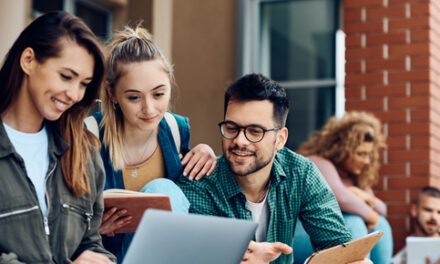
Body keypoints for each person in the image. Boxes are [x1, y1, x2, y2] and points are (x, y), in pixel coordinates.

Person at [177, 73, 372, 264]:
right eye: (231, 128)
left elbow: (338, 245)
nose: (239, 141)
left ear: (280, 139)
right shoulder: (199, 182)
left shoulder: (301, 173)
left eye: (255, 131)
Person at [88, 26, 217, 263]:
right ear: (113, 93)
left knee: (164, 189)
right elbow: (60, 219)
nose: (149, 109)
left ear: (169, 84)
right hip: (107, 257)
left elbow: (186, 199)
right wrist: (94, 229)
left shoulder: (176, 130)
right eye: (134, 97)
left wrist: (207, 152)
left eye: (158, 94)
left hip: (168, 255)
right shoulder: (89, 136)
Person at [0, 11, 115, 263]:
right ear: (28, 60)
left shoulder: (83, 151)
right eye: (66, 76)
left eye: (84, 83)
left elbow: (90, 242)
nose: (74, 94)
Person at [295, 111, 393, 264]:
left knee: (382, 224)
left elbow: (382, 209)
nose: (366, 161)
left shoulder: (354, 178)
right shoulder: (318, 163)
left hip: (333, 238)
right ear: (341, 149)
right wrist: (369, 214)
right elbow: (339, 198)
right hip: (301, 234)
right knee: (353, 221)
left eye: (369, 155)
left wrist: (359, 194)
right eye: (361, 154)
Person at [392, 186, 440, 264]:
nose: (434, 217)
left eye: (439, 212)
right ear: (414, 210)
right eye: (428, 210)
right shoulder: (403, 257)